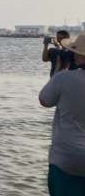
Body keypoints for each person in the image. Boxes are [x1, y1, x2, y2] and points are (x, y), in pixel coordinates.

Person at [39, 33, 85, 194]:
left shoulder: (64, 78)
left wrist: (58, 74)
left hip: (66, 157)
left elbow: (44, 100)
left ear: (79, 55)